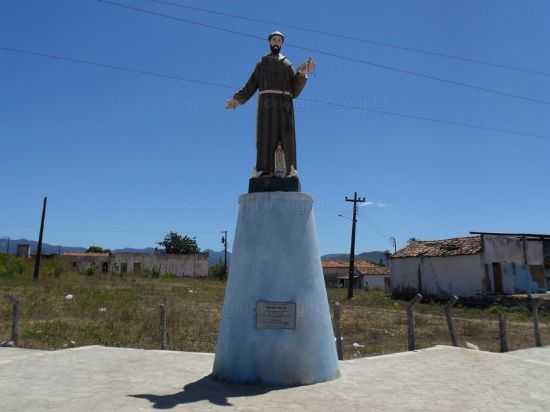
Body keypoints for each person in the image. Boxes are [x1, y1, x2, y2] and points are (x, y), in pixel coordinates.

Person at [226, 31, 316, 178]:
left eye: (279, 40)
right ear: (269, 42)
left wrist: (302, 74)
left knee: (286, 136)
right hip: (266, 105)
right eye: (274, 39)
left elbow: (294, 90)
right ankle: (263, 169)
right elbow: (251, 84)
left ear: (282, 44)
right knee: (266, 136)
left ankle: (289, 170)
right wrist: (237, 99)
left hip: (285, 105)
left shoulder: (287, 64)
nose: (276, 42)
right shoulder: (262, 63)